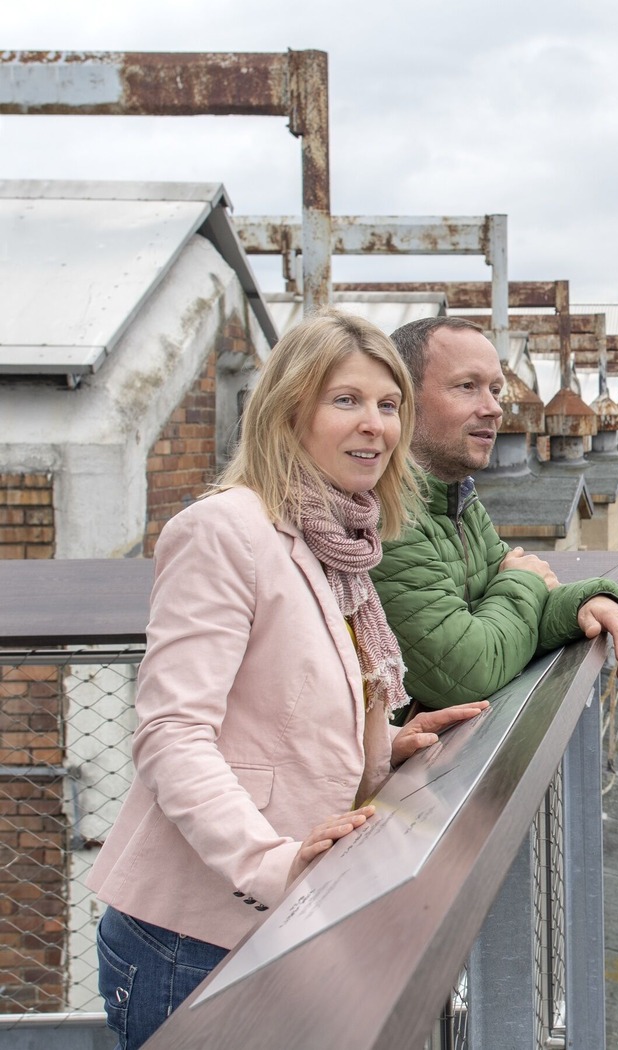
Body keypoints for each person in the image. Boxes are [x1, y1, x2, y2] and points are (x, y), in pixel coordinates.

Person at [86, 312, 487, 1048]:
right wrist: (271, 862)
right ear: (289, 411)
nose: (375, 425)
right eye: (347, 401)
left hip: (282, 922)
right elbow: (172, 734)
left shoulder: (343, 541)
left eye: (389, 405)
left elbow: (282, 706)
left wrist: (384, 745)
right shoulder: (224, 531)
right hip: (192, 935)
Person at [372, 316, 618, 709]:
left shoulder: (456, 498)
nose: (494, 409)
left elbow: (514, 602)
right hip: (413, 769)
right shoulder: (387, 515)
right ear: (401, 399)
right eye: (467, 387)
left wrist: (588, 602)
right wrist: (522, 581)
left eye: (495, 390)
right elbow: (469, 670)